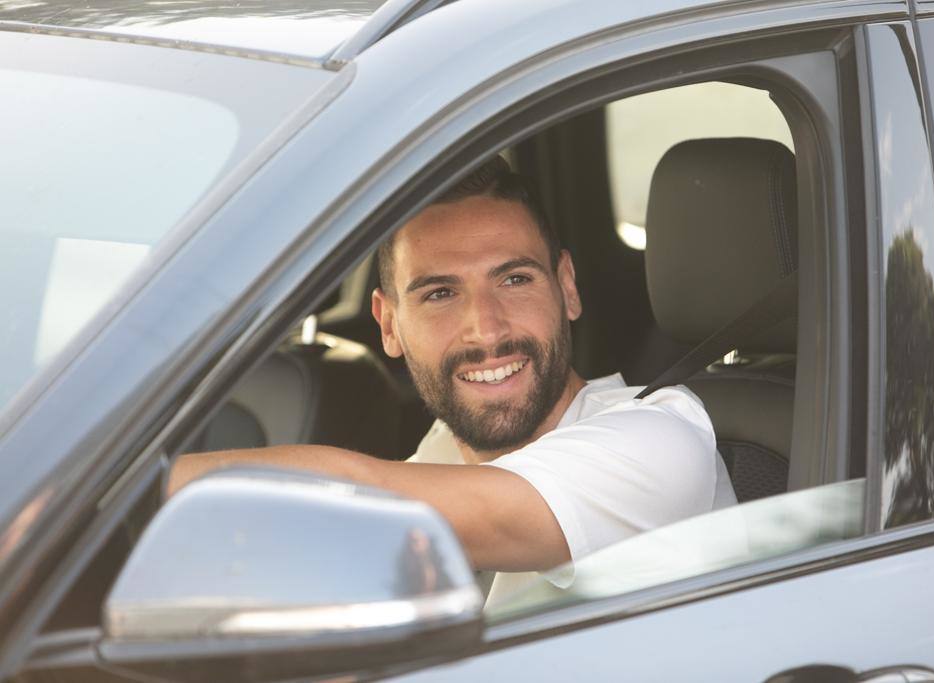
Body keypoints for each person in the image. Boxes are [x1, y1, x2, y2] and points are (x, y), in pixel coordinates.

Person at [169, 156, 736, 599]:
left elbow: (344, 500)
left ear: (566, 287)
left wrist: (116, 497)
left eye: (514, 280)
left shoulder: (658, 441)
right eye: (440, 293)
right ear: (388, 325)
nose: (486, 331)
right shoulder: (445, 449)